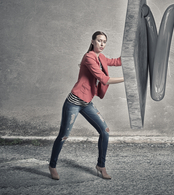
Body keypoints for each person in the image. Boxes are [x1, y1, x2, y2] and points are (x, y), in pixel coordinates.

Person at [49, 31, 124, 180]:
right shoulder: (89, 57)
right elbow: (103, 79)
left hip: (87, 103)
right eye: (99, 41)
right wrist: (125, 79)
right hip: (74, 102)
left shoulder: (101, 57)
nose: (102, 44)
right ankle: (52, 165)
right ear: (92, 41)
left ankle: (100, 166)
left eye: (104, 41)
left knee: (105, 131)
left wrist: (132, 54)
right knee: (64, 135)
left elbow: (116, 61)